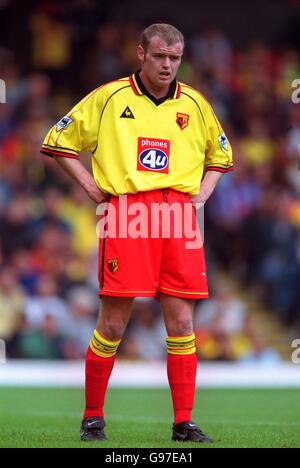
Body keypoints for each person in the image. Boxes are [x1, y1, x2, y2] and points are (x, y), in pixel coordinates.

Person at [41, 23, 233, 443]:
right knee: (113, 322)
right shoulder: (109, 97)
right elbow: (58, 141)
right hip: (128, 212)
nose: (168, 65)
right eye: (160, 56)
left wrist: (201, 195)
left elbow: (221, 154)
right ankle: (93, 417)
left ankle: (183, 423)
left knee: (182, 320)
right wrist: (91, 186)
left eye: (175, 58)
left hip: (180, 216)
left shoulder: (196, 104)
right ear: (141, 54)